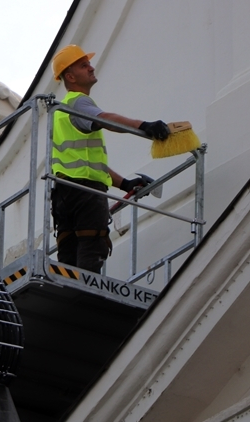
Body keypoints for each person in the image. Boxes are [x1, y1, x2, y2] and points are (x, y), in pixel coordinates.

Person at [49, 44, 169, 273]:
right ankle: (85, 294)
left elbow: (88, 163)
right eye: (84, 66)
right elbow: (105, 119)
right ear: (70, 76)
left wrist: (125, 183)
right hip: (85, 191)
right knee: (93, 240)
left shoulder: (61, 112)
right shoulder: (78, 102)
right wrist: (144, 126)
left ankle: (70, 290)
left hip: (63, 193)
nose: (91, 68)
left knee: (69, 246)